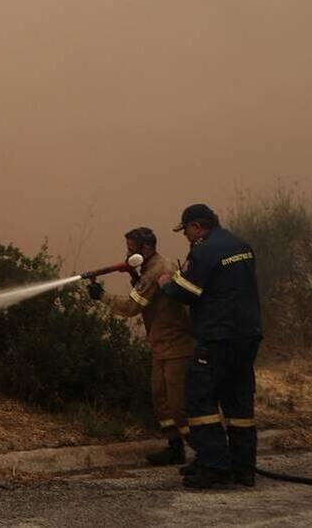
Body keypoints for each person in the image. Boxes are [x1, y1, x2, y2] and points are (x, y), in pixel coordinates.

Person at [159, 203, 263, 489]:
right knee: (239, 400)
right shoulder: (241, 245)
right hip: (248, 335)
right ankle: (244, 468)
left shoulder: (204, 250)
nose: (187, 238)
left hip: (218, 337)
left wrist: (168, 282)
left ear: (197, 227)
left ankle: (215, 466)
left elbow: (188, 292)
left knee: (200, 398)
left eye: (187, 232)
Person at [86, 227, 194, 465]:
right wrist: (133, 275)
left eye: (132, 248)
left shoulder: (157, 270)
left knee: (178, 406)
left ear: (147, 248)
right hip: (161, 344)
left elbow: (131, 307)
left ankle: (208, 455)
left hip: (176, 345)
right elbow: (150, 298)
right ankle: (175, 448)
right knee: (160, 398)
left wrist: (101, 295)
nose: (128, 252)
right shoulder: (148, 269)